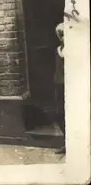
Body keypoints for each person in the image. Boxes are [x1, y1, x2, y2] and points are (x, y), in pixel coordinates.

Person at [54, 22, 65, 155]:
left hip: (71, 86)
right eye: (59, 34)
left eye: (64, 34)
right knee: (58, 114)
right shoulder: (57, 50)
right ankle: (66, 141)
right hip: (59, 85)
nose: (61, 36)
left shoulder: (74, 49)